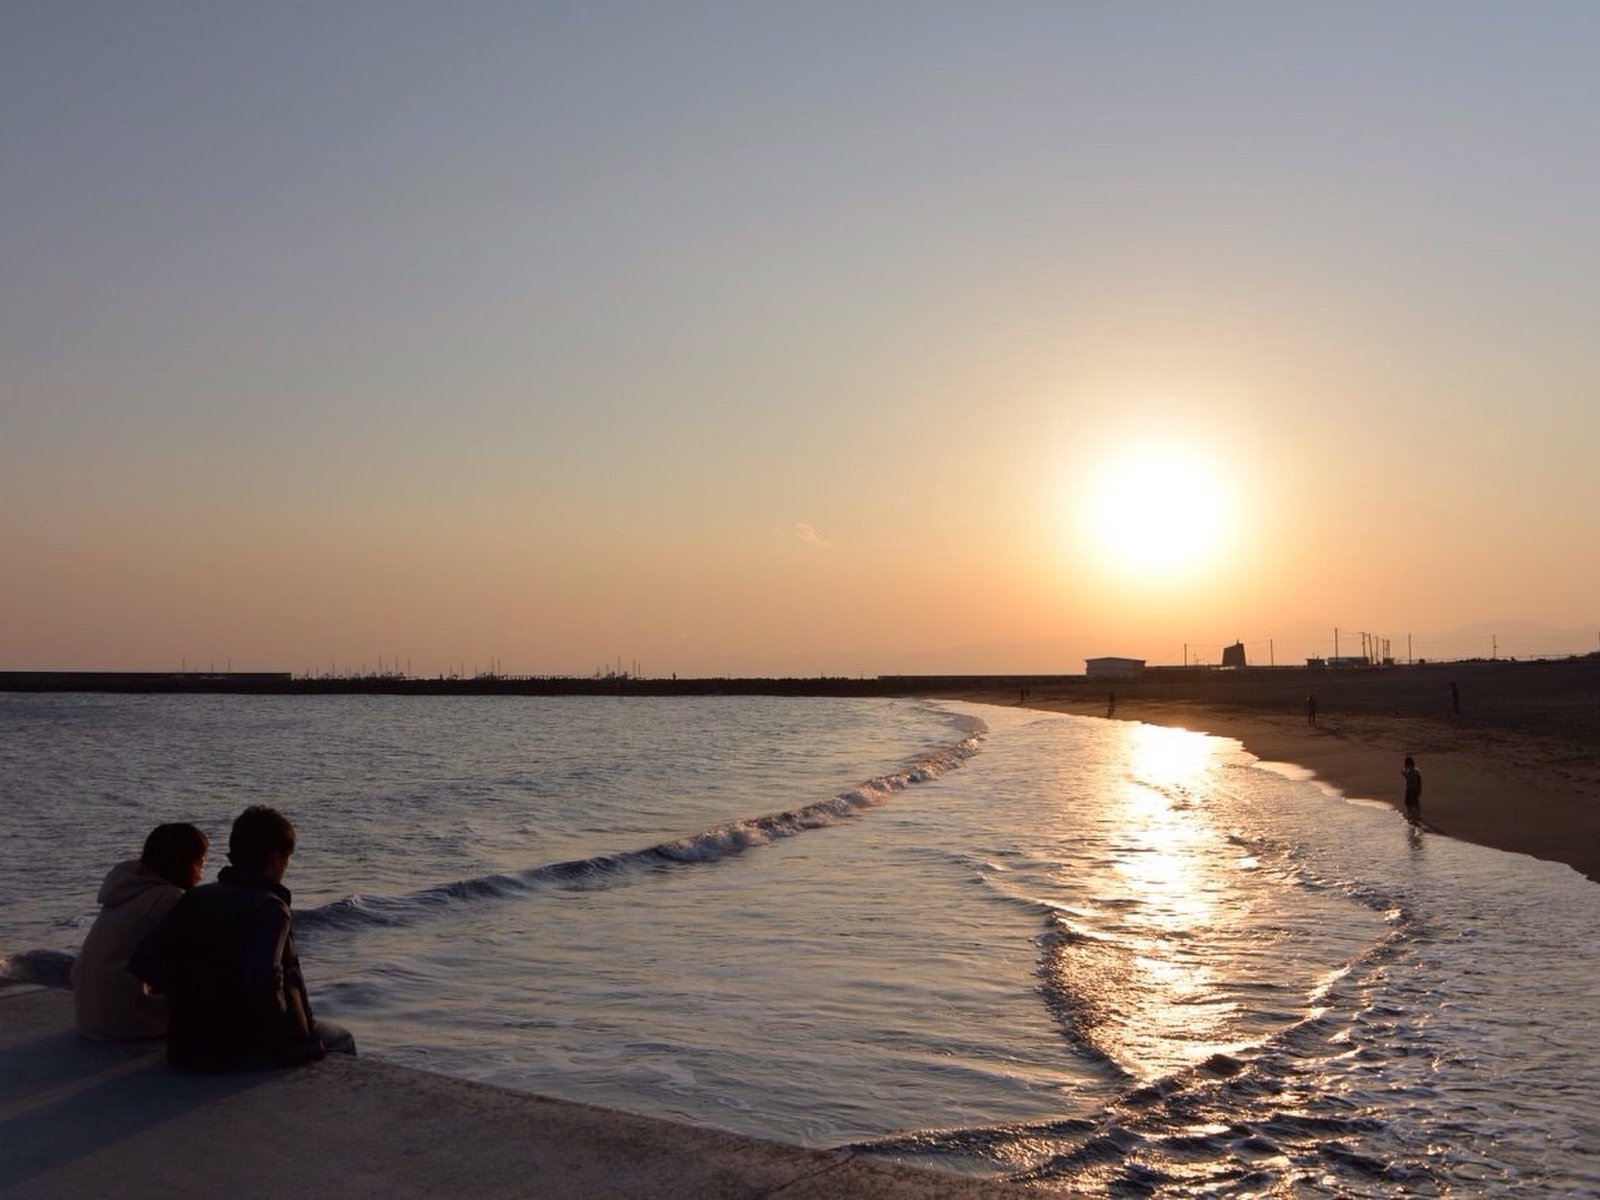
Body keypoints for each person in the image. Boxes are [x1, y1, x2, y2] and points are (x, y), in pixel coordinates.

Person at [131, 805, 355, 1070]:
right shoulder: (270, 908)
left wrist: (194, 1002)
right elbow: (261, 983)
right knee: (342, 1038)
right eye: (287, 858)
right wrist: (282, 1036)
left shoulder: (194, 898)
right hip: (242, 1052)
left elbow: (144, 963)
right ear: (275, 858)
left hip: (186, 1047)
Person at [72, 823, 210, 1040]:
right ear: (184, 863)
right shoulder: (168, 898)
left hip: (89, 1013)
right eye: (200, 862)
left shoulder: (125, 887)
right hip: (126, 1017)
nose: (201, 872)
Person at [1402, 756, 1423, 823]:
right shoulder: (1416, 770)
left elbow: (1409, 781)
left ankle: (1413, 818)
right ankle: (1414, 816)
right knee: (1414, 804)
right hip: (1415, 789)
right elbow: (1419, 781)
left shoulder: (1411, 771)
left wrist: (1405, 775)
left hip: (1411, 789)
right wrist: (1419, 789)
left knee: (1411, 804)